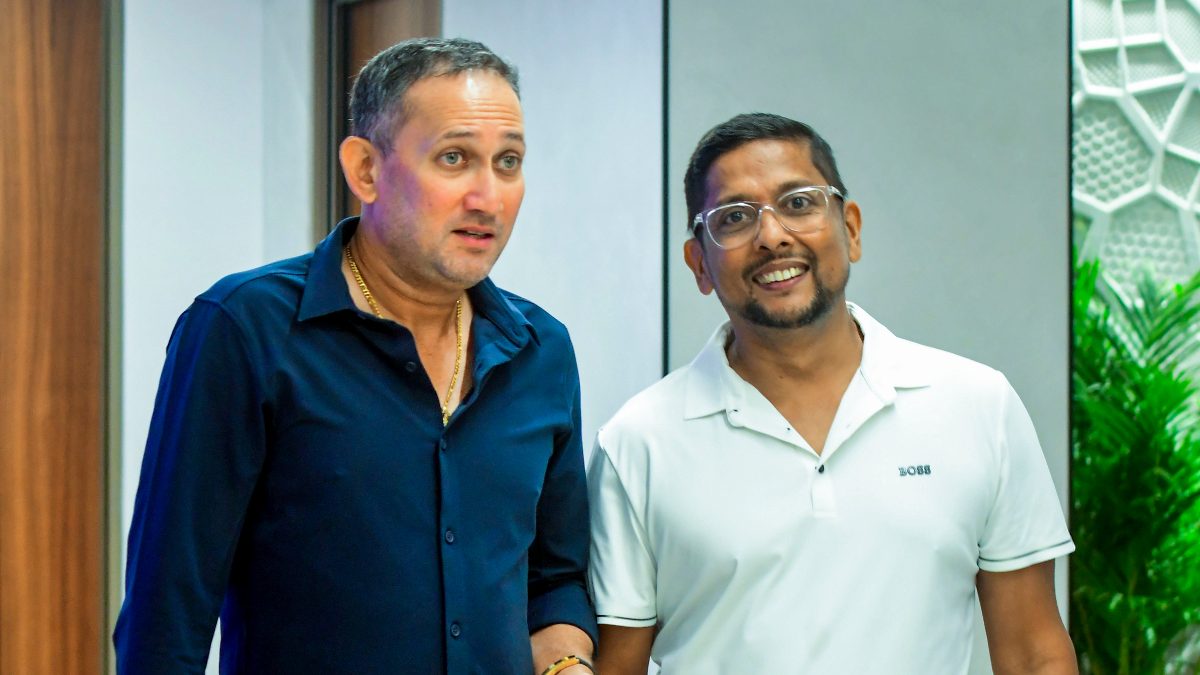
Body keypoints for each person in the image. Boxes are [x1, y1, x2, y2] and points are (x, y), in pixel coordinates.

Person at [115, 37, 596, 675]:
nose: (488, 197)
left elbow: (554, 579)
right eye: (454, 158)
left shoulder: (541, 352)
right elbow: (167, 611)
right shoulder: (246, 328)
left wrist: (568, 664)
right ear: (365, 169)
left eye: (508, 162)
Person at [587, 113, 1077, 674]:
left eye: (798, 203)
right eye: (736, 217)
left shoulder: (978, 406)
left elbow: (1034, 652)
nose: (772, 236)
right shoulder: (636, 444)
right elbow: (615, 667)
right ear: (699, 262)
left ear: (852, 228)